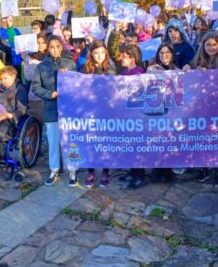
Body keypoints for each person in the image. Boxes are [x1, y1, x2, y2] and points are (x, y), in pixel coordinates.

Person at [184, 31, 218, 187]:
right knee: (201, 139)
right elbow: (186, 81)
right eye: (208, 45)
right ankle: (203, 168)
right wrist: (189, 70)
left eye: (214, 44)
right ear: (202, 46)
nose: (211, 48)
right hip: (200, 108)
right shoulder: (196, 62)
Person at [31, 36, 77, 186]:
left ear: (61, 47)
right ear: (48, 49)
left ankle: (72, 170)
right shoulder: (41, 67)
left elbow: (77, 84)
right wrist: (49, 94)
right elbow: (36, 87)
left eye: (58, 46)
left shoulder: (70, 64)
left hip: (68, 109)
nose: (55, 50)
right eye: (52, 47)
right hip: (51, 109)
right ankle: (54, 169)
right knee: (53, 141)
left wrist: (67, 77)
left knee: (70, 141)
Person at [82, 40, 116, 188]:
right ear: (91, 54)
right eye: (96, 53)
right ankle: (91, 171)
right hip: (90, 110)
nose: (99, 56)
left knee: (105, 141)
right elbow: (80, 85)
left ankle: (105, 171)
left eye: (102, 52)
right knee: (90, 140)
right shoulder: (86, 68)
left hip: (106, 110)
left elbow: (114, 88)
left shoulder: (110, 67)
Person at [146, 42, 180, 183]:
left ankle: (168, 170)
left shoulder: (178, 70)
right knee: (158, 140)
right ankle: (157, 169)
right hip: (157, 111)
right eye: (161, 53)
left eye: (167, 52)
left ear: (172, 54)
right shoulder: (152, 69)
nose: (164, 56)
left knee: (170, 140)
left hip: (172, 111)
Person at [117, 44, 147, 189]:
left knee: (136, 146)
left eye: (123, 56)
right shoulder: (124, 73)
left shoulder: (139, 73)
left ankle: (139, 175)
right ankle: (132, 171)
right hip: (126, 116)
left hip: (136, 117)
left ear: (133, 58)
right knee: (129, 145)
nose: (120, 58)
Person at [23, 33, 47, 127]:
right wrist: (25, 60)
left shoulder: (51, 56)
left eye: (43, 42)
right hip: (35, 96)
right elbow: (29, 76)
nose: (41, 45)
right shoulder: (30, 57)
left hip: (49, 95)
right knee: (36, 124)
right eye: (38, 42)